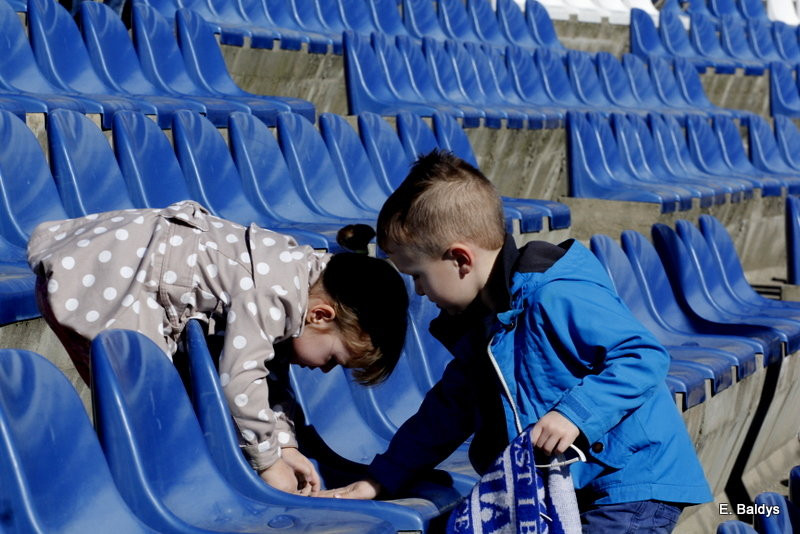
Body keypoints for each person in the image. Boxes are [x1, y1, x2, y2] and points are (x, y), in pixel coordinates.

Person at [320, 150, 712, 532]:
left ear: (460, 260)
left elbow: (641, 356)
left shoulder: (553, 293)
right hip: (576, 486)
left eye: (418, 275)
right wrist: (381, 479)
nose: (420, 292)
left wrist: (573, 414)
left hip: (629, 482)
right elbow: (447, 412)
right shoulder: (482, 326)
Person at [27, 200, 408, 497]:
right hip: (102, 282)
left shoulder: (297, 280)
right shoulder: (275, 291)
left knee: (149, 419)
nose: (324, 370)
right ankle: (110, 491)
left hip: (118, 278)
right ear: (320, 316)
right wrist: (267, 462)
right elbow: (239, 379)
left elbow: (267, 379)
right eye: (333, 359)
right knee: (138, 419)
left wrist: (286, 446)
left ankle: (133, 486)